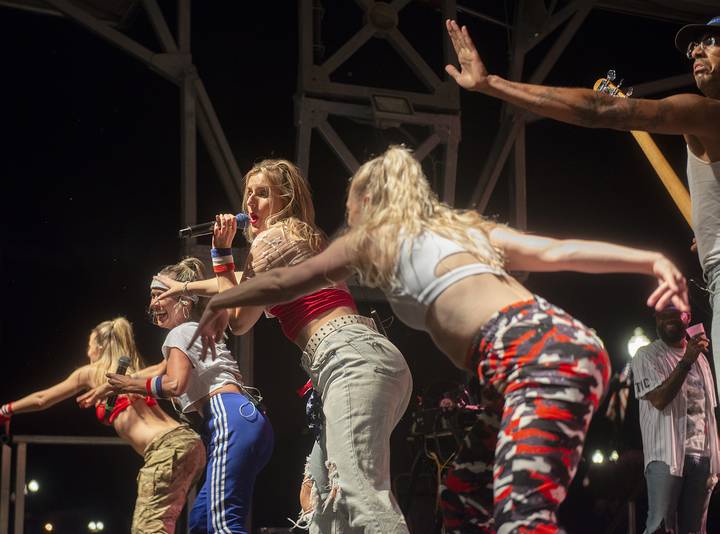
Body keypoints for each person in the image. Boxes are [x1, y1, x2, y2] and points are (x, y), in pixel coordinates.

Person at [186, 146, 690, 532]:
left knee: (381, 494)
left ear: (370, 203)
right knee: (462, 495)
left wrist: (212, 279)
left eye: (352, 203)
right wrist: (649, 259)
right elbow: (557, 251)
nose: (346, 216)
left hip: (524, 351)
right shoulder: (465, 230)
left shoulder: (323, 235)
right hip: (523, 356)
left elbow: (267, 291)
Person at [443, 16, 720, 396]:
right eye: (693, 46)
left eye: (710, 40)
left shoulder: (706, 113)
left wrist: (493, 84)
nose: (697, 51)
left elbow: (600, 109)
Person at [156, 159, 413, 533]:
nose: (251, 203)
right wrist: (184, 287)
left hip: (349, 359)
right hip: (356, 360)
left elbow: (240, 318)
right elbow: (238, 284)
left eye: (263, 194)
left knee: (360, 493)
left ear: (286, 199)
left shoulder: (272, 238)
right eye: (248, 194)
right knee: (319, 497)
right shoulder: (294, 238)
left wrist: (220, 253)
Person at [88, 258, 273, 534]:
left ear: (182, 299)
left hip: (228, 418)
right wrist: (127, 383)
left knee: (223, 524)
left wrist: (129, 383)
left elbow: (174, 383)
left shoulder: (180, 332)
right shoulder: (193, 331)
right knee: (201, 522)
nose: (152, 305)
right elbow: (162, 372)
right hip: (239, 422)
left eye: (158, 296)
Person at [0, 317, 205, 534]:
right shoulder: (134, 374)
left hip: (165, 449)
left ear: (99, 346)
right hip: (190, 445)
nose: (87, 353)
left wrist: (5, 410)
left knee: (147, 528)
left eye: (89, 346)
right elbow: (163, 366)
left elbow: (42, 399)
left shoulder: (93, 373)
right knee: (170, 523)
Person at [631, 307, 718, 534]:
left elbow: (710, 410)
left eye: (675, 314)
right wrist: (686, 360)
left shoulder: (702, 362)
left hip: (703, 456)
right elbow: (659, 399)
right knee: (660, 527)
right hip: (665, 456)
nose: (668, 319)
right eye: (662, 316)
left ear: (687, 318)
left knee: (696, 529)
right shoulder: (646, 355)